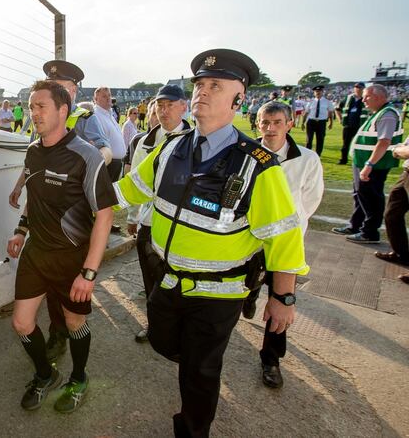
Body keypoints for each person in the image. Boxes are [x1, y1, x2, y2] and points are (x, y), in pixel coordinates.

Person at [114, 48, 307, 437]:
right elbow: (128, 191)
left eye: (215, 85)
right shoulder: (172, 148)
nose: (202, 91)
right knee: (163, 341)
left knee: (200, 372)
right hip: (169, 281)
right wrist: (77, 191)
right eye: (200, 84)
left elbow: (283, 241)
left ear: (238, 100)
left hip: (219, 294)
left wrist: (283, 298)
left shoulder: (259, 166)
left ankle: (192, 430)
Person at [7, 79, 115, 413]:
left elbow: (105, 216)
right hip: (36, 253)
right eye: (30, 107)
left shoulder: (86, 156)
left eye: (40, 106)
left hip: (72, 258)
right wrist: (21, 231)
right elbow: (34, 196)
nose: (33, 112)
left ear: (63, 111)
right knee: (22, 323)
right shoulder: (32, 150)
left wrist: (89, 272)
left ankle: (79, 377)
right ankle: (44, 375)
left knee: (73, 324)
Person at [242, 101, 323, 388]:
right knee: (247, 281)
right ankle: (250, 296)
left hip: (286, 243)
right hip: (252, 239)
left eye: (277, 122)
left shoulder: (307, 159)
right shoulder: (248, 154)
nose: (270, 128)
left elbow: (311, 200)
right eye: (265, 122)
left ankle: (271, 359)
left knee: (281, 298)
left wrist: (290, 227)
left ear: (290, 124)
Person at [124, 84, 191, 344]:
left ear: (183, 107)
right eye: (159, 106)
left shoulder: (197, 139)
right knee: (151, 280)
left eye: (170, 105)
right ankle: (155, 327)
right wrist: (132, 217)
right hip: (150, 223)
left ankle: (179, 328)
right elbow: (135, 183)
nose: (163, 111)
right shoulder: (145, 141)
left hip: (181, 226)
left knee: (178, 282)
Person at [333, 84, 403, 244]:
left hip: (374, 165)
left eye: (367, 96)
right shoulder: (378, 113)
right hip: (364, 162)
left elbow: (384, 142)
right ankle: (356, 225)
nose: (363, 100)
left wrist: (369, 164)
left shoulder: (387, 114)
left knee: (370, 197)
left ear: (378, 97)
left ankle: (369, 232)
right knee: (360, 195)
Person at [378, 136, 409, 283]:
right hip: (407, 172)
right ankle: (401, 253)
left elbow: (401, 150)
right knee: (392, 214)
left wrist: (398, 149)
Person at [94, 86, 126, 181]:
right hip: (108, 165)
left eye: (109, 95)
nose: (108, 98)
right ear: (95, 99)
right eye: (104, 96)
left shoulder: (109, 114)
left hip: (117, 164)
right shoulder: (96, 116)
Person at [336, 82, 368, 165]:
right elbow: (337, 109)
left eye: (360, 88)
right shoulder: (348, 98)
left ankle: (359, 160)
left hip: (361, 125)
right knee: (345, 144)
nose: (358, 89)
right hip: (348, 125)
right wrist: (340, 119)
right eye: (356, 87)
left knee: (360, 143)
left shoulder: (366, 99)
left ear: (363, 89)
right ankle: (343, 159)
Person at [300, 85, 334, 155]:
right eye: (316, 91)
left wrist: (331, 123)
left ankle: (318, 155)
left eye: (319, 91)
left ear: (322, 92)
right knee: (309, 139)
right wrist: (303, 123)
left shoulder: (327, 102)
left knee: (320, 140)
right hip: (311, 122)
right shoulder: (310, 102)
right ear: (314, 93)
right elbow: (306, 113)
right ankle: (307, 155)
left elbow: (330, 113)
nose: (318, 93)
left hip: (321, 122)